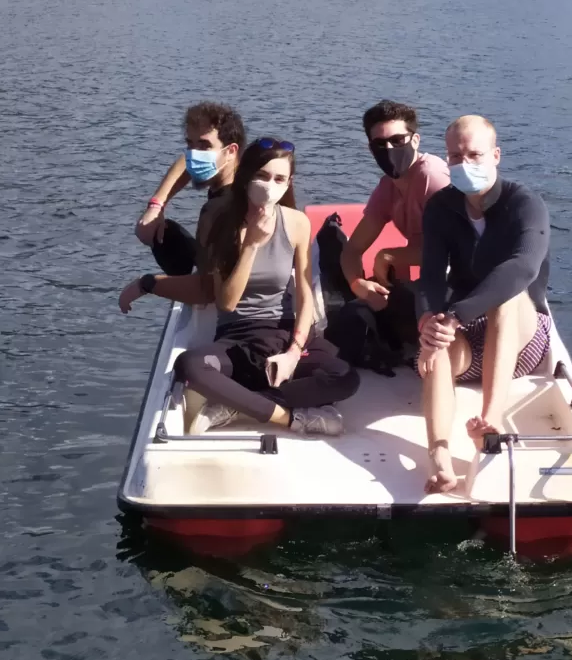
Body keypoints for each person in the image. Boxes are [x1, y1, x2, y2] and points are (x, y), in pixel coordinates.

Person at [172, 138, 360, 436]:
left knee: (345, 378)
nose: (269, 185)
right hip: (239, 337)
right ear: (245, 176)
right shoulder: (221, 224)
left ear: (288, 183)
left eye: (279, 178)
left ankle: (241, 404)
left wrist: (294, 352)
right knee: (189, 366)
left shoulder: (296, 222)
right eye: (261, 176)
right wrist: (250, 246)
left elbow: (304, 295)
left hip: (284, 333)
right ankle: (292, 418)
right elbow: (226, 303)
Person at [415, 115, 552, 494]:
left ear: (495, 155)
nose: (464, 163)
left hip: (521, 341)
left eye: (474, 154)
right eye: (455, 156)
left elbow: (523, 266)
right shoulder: (442, 206)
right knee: (436, 342)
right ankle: (439, 455)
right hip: (466, 334)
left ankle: (489, 424)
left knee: (505, 300)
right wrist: (428, 321)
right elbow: (428, 275)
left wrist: (456, 316)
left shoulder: (525, 204)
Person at [327, 101, 450, 368]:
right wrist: (359, 284)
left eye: (397, 140)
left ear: (415, 140)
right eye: (380, 144)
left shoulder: (431, 176)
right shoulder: (388, 188)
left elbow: (453, 248)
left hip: (450, 292)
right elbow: (353, 249)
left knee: (353, 318)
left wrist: (388, 255)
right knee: (348, 308)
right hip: (421, 284)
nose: (390, 149)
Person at [132, 102, 245, 278]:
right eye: (190, 144)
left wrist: (147, 285)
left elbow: (207, 289)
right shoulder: (242, 172)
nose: (194, 155)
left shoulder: (220, 209)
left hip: (220, 291)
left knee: (166, 239)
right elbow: (185, 161)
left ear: (231, 151)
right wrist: (156, 205)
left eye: (204, 146)